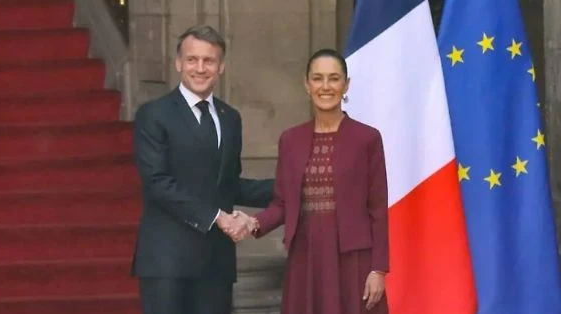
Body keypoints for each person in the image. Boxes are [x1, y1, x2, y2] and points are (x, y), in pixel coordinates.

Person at [131, 25, 274, 314]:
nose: (200, 68)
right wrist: (218, 217)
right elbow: (158, 183)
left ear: (220, 67)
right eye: (192, 59)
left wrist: (294, 184)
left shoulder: (230, 118)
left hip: (216, 264)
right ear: (178, 63)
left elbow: (228, 184)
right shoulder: (153, 115)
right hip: (168, 263)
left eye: (208, 60)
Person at [244, 48, 389, 314]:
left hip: (353, 260)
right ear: (306, 85)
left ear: (346, 85)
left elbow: (378, 209)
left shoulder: (367, 138)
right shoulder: (291, 140)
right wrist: (253, 223)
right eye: (317, 78)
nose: (325, 86)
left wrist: (378, 269)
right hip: (306, 257)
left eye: (334, 78)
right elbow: (282, 203)